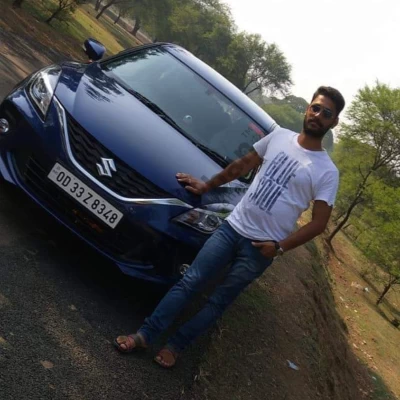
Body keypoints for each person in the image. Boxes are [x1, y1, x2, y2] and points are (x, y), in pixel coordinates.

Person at [114, 86, 345, 368]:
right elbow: (241, 166)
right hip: (231, 228)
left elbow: (319, 223)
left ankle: (175, 346)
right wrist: (206, 186)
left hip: (261, 249)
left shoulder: (327, 171)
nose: (318, 115)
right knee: (189, 282)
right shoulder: (279, 137)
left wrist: (279, 248)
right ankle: (145, 335)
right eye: (316, 108)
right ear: (308, 109)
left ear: (334, 122)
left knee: (218, 302)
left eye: (326, 113)